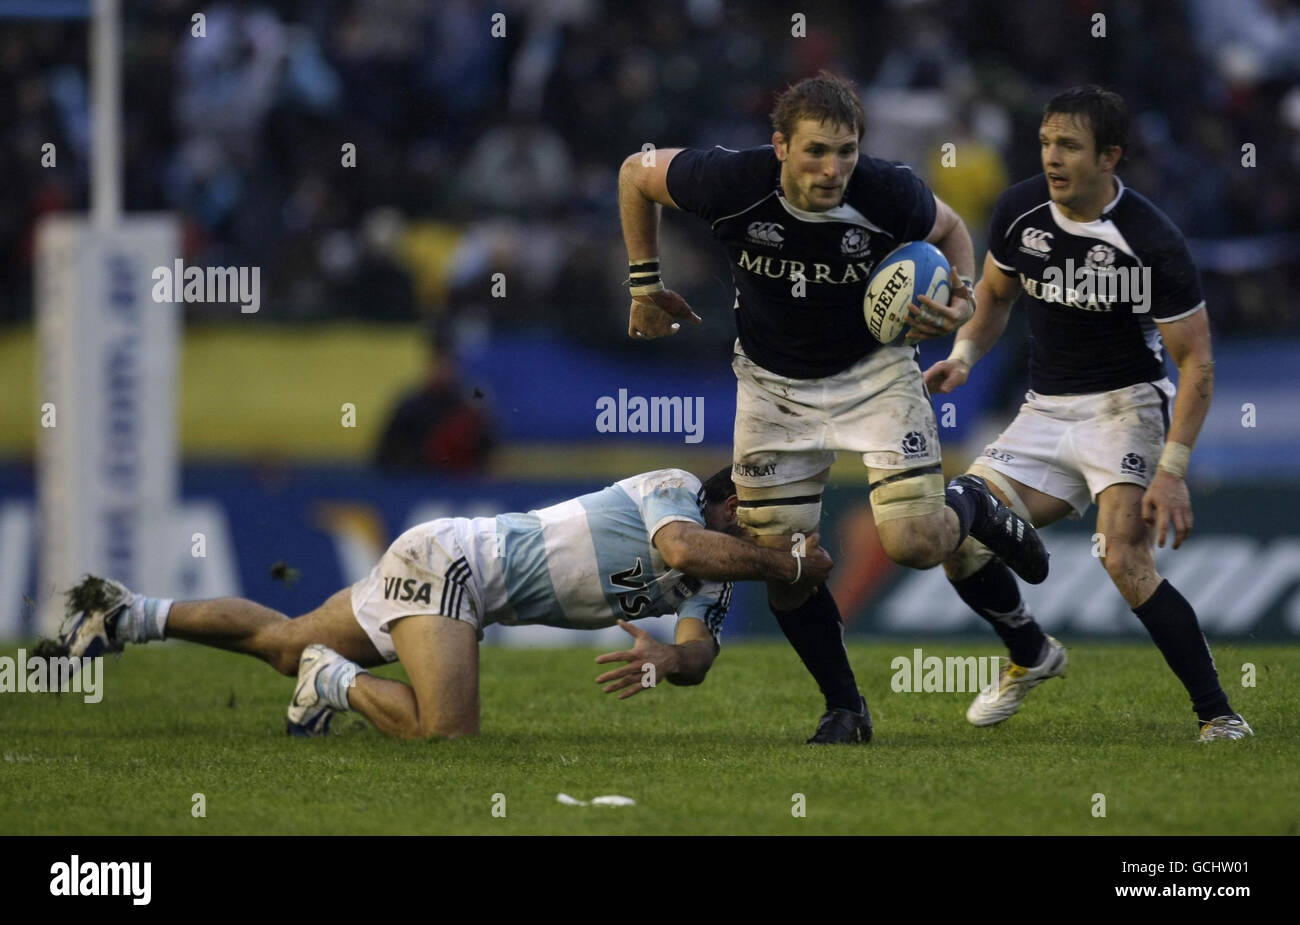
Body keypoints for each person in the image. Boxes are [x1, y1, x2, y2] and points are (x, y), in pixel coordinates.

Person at [617, 71, 1049, 744]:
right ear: (780, 145)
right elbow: (634, 173)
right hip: (772, 387)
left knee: (912, 542)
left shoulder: (887, 190)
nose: (833, 167)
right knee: (788, 564)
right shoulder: (729, 180)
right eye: (816, 150)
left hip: (874, 372)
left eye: (845, 150)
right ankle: (846, 707)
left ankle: (975, 504)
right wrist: (645, 284)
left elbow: (954, 229)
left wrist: (961, 298)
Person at [923, 86, 1252, 742]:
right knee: (947, 532)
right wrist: (963, 354)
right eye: (1046, 142)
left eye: (1069, 145)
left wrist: (1172, 470)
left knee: (1122, 556)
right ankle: (1030, 650)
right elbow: (993, 296)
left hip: (1125, 409)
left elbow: (1200, 366)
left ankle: (1220, 715)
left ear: (1110, 157)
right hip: (1045, 410)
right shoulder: (1019, 210)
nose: (1052, 156)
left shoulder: (1151, 239)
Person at [41, 468, 830, 739]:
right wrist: (786, 557)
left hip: (451, 572)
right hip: (454, 562)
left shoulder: (723, 578)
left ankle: (126, 612)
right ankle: (333, 681)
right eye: (755, 518)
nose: (762, 533)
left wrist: (672, 656)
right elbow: (685, 549)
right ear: (729, 502)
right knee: (445, 731)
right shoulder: (677, 494)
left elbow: (697, 658)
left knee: (281, 639)